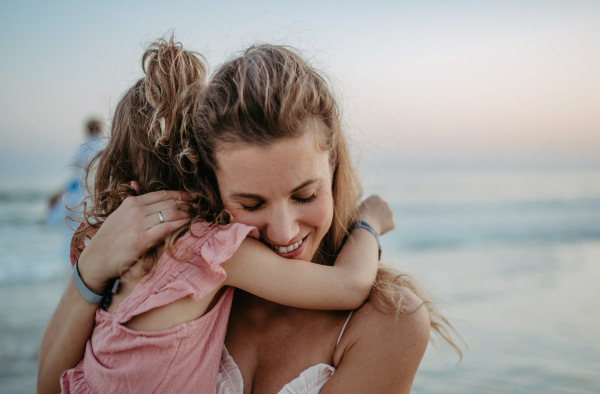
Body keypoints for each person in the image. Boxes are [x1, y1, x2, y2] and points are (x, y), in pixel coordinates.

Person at [38, 37, 461, 394]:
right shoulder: (206, 259)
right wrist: (90, 271)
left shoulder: (389, 322)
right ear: (209, 185)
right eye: (251, 204)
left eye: (306, 194)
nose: (283, 231)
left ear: (334, 169)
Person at [46, 119, 105, 263]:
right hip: (97, 191)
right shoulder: (104, 143)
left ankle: (73, 265)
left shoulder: (82, 147)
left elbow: (75, 170)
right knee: (94, 229)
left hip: (79, 191)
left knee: (73, 230)